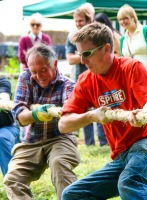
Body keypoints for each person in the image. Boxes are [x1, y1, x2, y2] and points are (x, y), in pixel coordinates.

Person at [59, 22, 147, 200]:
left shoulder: (131, 67)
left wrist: (143, 114)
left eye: (87, 54)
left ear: (106, 49)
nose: (82, 60)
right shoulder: (85, 80)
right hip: (122, 155)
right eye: (79, 54)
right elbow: (64, 124)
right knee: (72, 194)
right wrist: (92, 116)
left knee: (129, 182)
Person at [4, 43, 80, 200]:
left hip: (61, 139)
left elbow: (70, 113)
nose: (39, 76)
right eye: (34, 72)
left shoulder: (68, 85)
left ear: (55, 64)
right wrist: (36, 114)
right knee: (12, 179)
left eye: (43, 70)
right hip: (31, 141)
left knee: (60, 165)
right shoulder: (26, 78)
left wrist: (62, 112)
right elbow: (19, 116)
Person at [65, 6, 107, 146]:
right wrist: (87, 53)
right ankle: (89, 143)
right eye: (76, 21)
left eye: (81, 21)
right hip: (80, 76)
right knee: (85, 109)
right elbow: (70, 59)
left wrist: (79, 54)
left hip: (99, 75)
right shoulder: (72, 36)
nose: (78, 24)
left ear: (88, 20)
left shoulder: (98, 33)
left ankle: (103, 142)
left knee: (101, 105)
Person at [117, 4, 147, 113]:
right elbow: (123, 59)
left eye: (125, 18)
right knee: (138, 109)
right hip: (131, 79)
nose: (122, 22)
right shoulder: (123, 39)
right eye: (120, 19)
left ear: (133, 17)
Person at [0, 78, 20, 176]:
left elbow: (4, 99)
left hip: (7, 128)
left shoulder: (2, 82)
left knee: (1, 138)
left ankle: (13, 185)